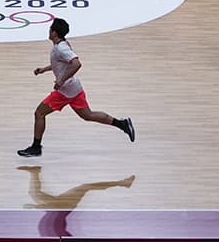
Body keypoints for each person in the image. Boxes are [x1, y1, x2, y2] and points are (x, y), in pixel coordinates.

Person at [16, 18, 135, 158]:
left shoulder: (61, 48)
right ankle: (122, 124)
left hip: (65, 91)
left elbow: (76, 64)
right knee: (88, 115)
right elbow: (62, 64)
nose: (48, 31)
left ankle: (36, 148)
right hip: (74, 88)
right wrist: (44, 69)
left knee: (39, 114)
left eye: (50, 29)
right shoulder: (62, 44)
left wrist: (61, 80)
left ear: (54, 33)